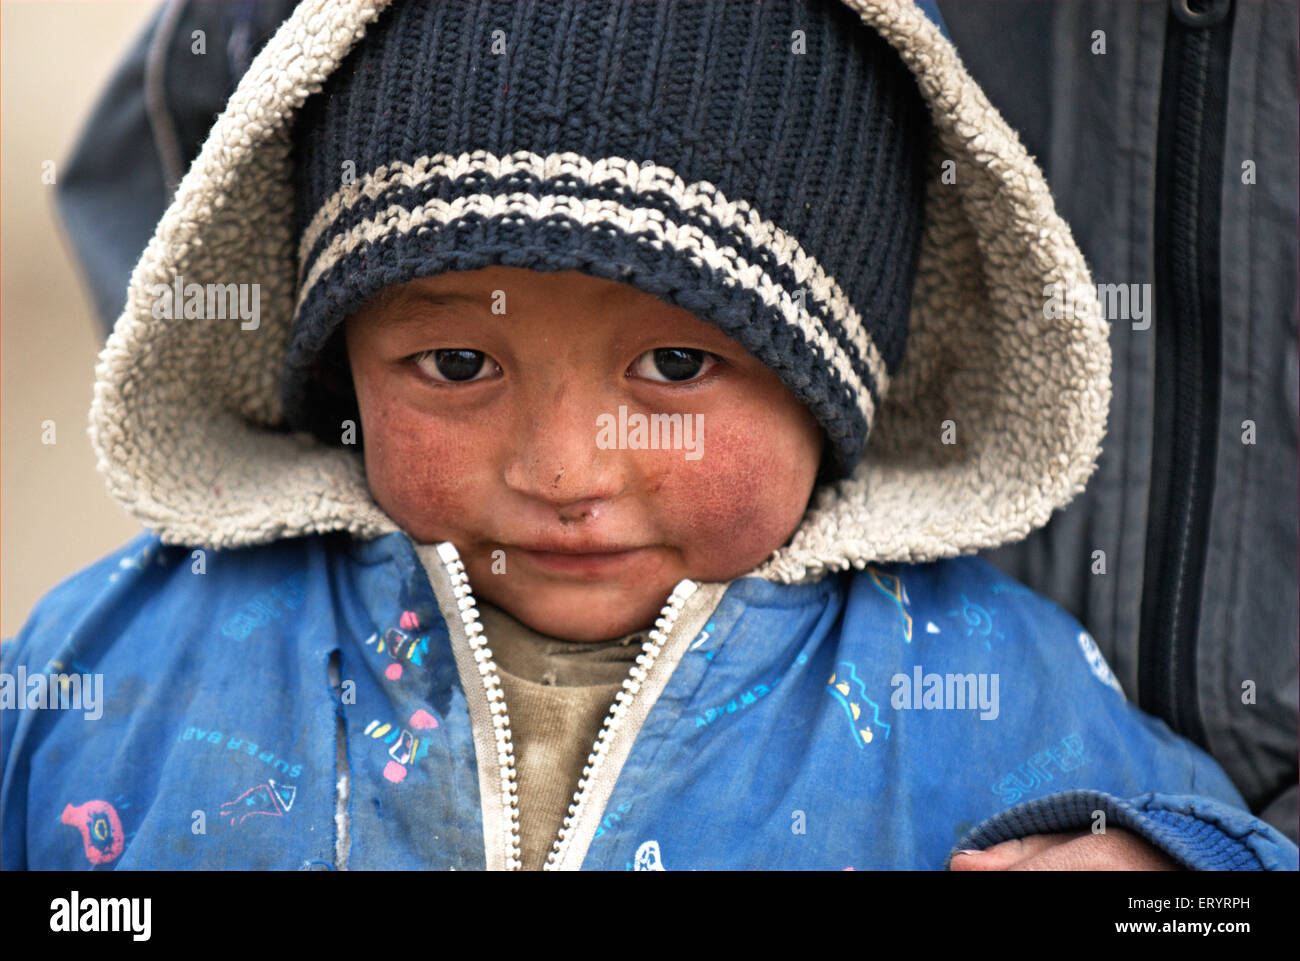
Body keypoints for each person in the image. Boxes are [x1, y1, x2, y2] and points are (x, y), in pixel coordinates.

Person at [3, 0, 1295, 871]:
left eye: (678, 364)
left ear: (839, 387)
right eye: (456, 363)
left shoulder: (997, 695)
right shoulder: (119, 664)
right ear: (333, 356)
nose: (564, 468)